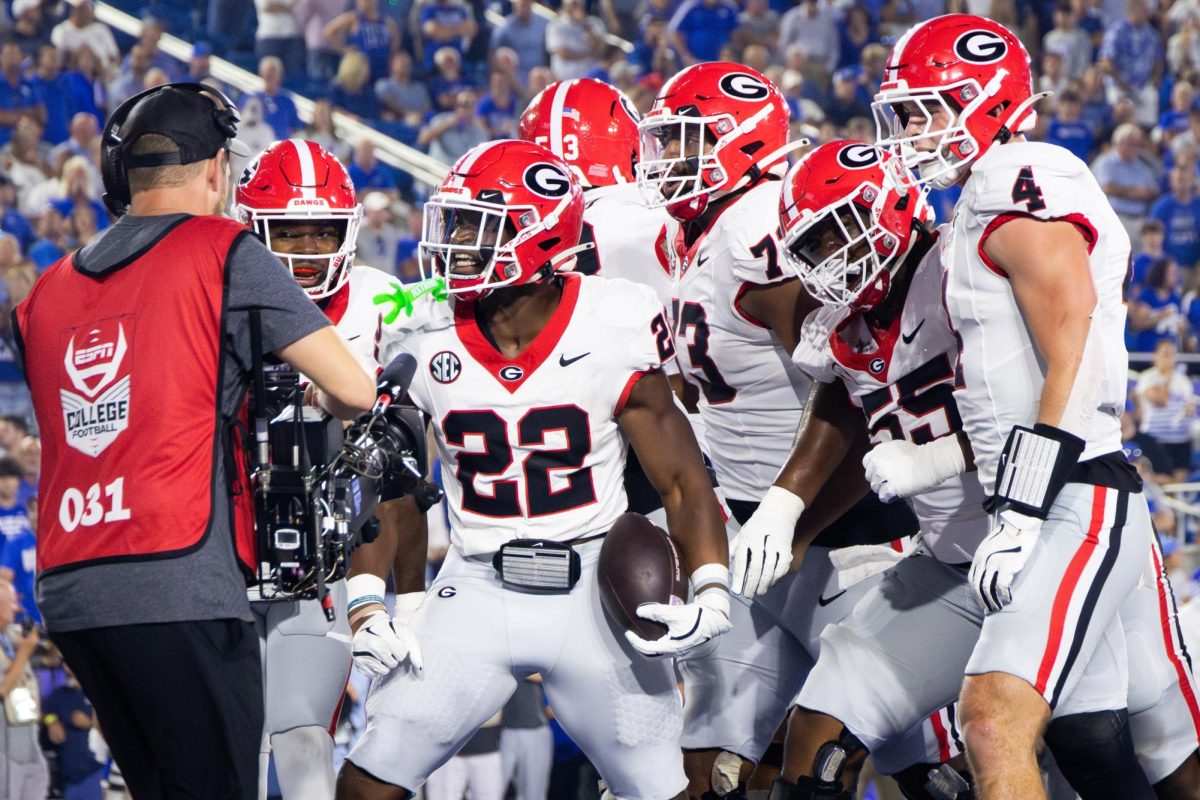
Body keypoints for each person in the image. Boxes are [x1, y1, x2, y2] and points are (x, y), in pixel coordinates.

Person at [335, 138, 732, 798]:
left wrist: (712, 590)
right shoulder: (416, 322)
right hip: (476, 587)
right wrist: (367, 604)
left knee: (669, 789)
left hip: (595, 592)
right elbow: (389, 482)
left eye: (475, 225)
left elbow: (683, 475)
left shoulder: (613, 318)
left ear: (539, 238)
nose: (454, 242)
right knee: (367, 782)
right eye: (454, 222)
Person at [13, 83, 376, 799]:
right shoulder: (222, 248)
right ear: (217, 171)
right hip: (176, 570)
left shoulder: (42, 292)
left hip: (72, 583)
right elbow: (356, 390)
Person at [870, 14, 1163, 798]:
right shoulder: (974, 200)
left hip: (1075, 489)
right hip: (1044, 488)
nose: (912, 128)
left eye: (930, 107)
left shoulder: (1022, 176)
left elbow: (1072, 343)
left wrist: (1025, 505)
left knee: (993, 717)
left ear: (991, 100)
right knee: (1092, 745)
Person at [635, 63, 918, 794]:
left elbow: (857, 395)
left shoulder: (759, 228)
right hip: (754, 538)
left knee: (903, 769)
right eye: (663, 142)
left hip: (849, 541)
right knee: (708, 770)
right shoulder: (689, 233)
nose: (667, 161)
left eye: (687, 143)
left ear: (744, 144)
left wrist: (793, 514)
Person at [235, 138, 435, 800]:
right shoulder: (215, 298)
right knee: (227, 738)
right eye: (290, 231)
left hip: (323, 554)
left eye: (323, 230)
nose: (309, 248)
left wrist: (408, 598)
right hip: (224, 548)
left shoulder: (388, 301)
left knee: (300, 732)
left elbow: (403, 466)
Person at [0, 578, 48, 800]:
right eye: (11, 602)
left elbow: (49, 653)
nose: (16, 608)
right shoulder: (18, 645)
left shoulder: (10, 636)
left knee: (37, 784)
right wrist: (24, 652)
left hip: (27, 737)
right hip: (4, 744)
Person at [1133, 338, 1196, 483]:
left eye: (1171, 354)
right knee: (1161, 479)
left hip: (1180, 439)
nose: (1168, 358)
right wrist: (1167, 379)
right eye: (1165, 354)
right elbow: (1160, 400)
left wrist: (1189, 410)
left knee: (1178, 482)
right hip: (1155, 438)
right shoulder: (1147, 378)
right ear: (1156, 356)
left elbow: (1189, 407)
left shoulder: (1183, 381)